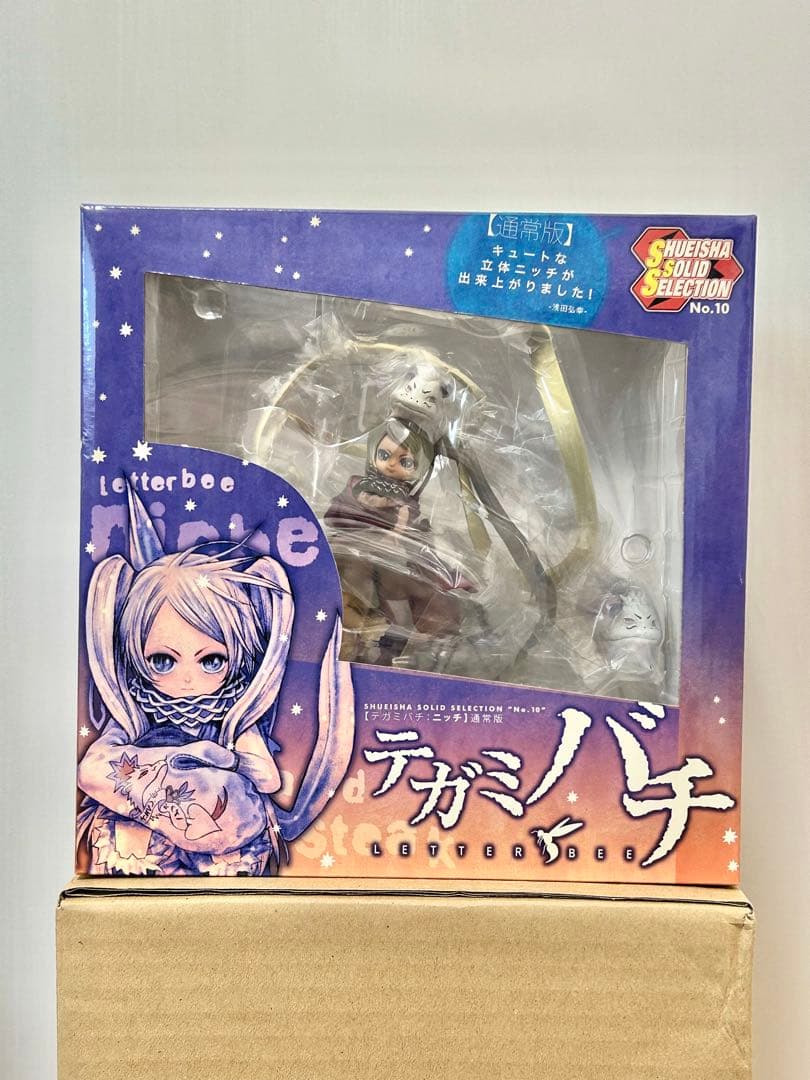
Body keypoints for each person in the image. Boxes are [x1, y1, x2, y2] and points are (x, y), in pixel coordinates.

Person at [77, 485, 353, 875]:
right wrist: (176, 762)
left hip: (219, 846)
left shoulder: (233, 718)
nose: (188, 679)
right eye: (162, 660)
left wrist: (226, 760)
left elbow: (267, 778)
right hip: (147, 842)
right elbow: (94, 768)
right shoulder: (135, 716)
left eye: (211, 660)